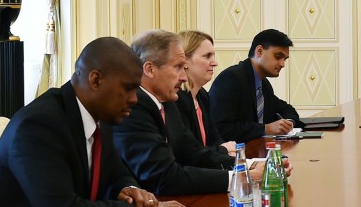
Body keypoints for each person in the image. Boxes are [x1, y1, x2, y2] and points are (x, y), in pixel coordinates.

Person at [0, 37, 189, 207]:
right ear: (96, 80)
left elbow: (117, 175)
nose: (134, 99)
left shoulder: (101, 117)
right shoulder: (40, 125)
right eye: (128, 88)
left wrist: (130, 190)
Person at [113, 29, 264, 195]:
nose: (184, 77)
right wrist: (240, 177)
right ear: (150, 69)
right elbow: (164, 178)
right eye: (178, 67)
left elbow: (193, 153)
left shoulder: (167, 101)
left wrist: (249, 165)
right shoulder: (134, 107)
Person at [209, 28, 303, 143]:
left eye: (285, 59)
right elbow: (221, 129)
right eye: (278, 56)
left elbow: (285, 109)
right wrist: (265, 129)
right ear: (259, 51)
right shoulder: (231, 78)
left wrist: (288, 123)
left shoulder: (264, 84)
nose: (282, 64)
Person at [175, 30, 235, 156]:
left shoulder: (202, 95)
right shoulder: (177, 98)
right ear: (185, 61)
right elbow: (191, 152)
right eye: (207, 56)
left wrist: (228, 153)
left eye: (213, 56)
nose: (214, 63)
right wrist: (224, 151)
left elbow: (215, 139)